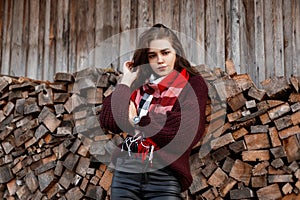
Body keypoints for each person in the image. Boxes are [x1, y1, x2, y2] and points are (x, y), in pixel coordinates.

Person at [99, 24, 208, 200]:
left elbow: (182, 133)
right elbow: (110, 120)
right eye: (153, 55)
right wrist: (126, 81)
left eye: (165, 53)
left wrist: (135, 119)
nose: (160, 60)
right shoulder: (138, 84)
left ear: (176, 53)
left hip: (164, 175)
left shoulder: (193, 85)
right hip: (126, 172)